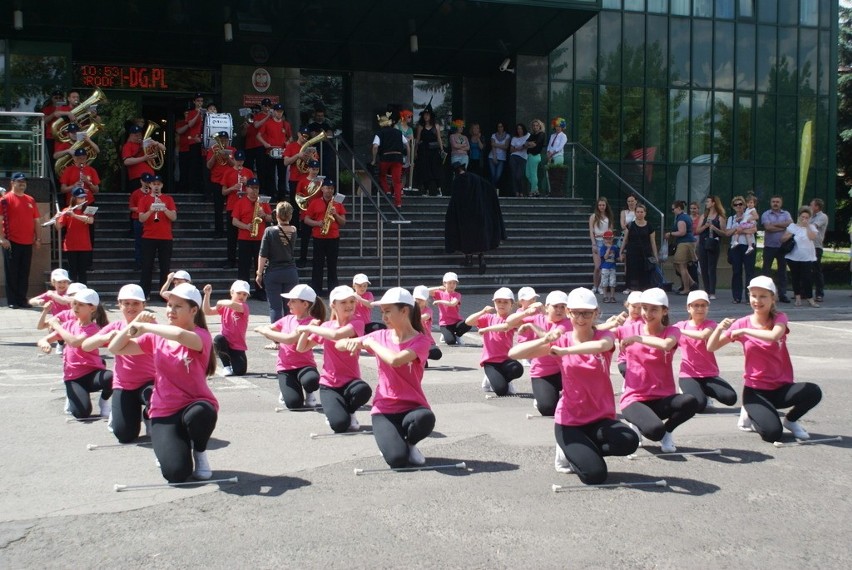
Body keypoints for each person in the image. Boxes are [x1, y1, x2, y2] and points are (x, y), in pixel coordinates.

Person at [510, 287, 639, 485]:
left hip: (599, 418)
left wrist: (566, 351)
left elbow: (601, 347)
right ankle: (568, 449)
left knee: (629, 441)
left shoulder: (604, 336)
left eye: (587, 313)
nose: (581, 318)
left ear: (596, 313)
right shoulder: (561, 339)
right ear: (569, 312)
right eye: (576, 312)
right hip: (570, 421)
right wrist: (545, 340)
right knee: (595, 476)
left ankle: (584, 450)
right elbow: (514, 354)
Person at [108, 283, 219, 483]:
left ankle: (200, 452)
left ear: (193, 310)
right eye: (169, 305)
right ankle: (170, 445)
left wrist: (145, 326)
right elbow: (116, 348)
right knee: (176, 474)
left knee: (203, 412)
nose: (170, 310)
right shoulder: (156, 337)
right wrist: (132, 327)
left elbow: (180, 335)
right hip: (163, 409)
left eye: (178, 306)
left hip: (194, 403)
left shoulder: (201, 335)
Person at [707, 276, 822, 442]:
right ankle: (750, 411)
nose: (757, 300)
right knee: (772, 434)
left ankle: (790, 421)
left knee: (813, 391)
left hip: (781, 388)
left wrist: (746, 331)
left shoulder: (779, 318)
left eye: (763, 296)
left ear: (772, 298)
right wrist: (719, 328)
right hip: (756, 391)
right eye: (754, 295)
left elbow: (773, 336)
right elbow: (711, 347)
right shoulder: (741, 323)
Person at [336, 287, 435, 468]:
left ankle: (411, 444)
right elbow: (340, 344)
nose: (383, 318)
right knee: (397, 461)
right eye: (382, 312)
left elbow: (395, 360)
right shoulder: (380, 335)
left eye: (388, 312)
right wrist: (349, 342)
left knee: (425, 419)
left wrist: (371, 343)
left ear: (404, 311)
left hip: (413, 406)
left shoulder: (421, 341)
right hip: (384, 409)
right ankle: (395, 444)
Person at [618, 288, 700, 453]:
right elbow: (598, 334)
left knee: (690, 401)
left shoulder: (672, 331)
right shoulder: (628, 329)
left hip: (662, 397)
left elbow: (666, 345)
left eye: (654, 309)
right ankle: (638, 421)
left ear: (665, 311)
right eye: (645, 308)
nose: (647, 313)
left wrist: (638, 338)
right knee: (654, 431)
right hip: (634, 399)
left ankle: (667, 432)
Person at [81, 284, 155, 443]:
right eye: (126, 303)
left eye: (136, 303)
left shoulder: (152, 326)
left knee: (155, 400)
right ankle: (122, 411)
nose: (131, 307)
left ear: (144, 305)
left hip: (151, 382)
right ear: (119, 304)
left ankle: (149, 415)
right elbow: (86, 346)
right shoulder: (115, 326)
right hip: (124, 385)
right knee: (125, 436)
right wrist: (104, 338)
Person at [296, 285, 372, 433]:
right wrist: (307, 328)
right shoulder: (326, 326)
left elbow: (336, 335)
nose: (349, 305)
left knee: (364, 390)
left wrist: (309, 328)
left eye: (351, 301)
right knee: (339, 425)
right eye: (343, 302)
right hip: (329, 384)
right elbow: (301, 348)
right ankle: (336, 412)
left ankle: (350, 411)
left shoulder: (357, 323)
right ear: (333, 305)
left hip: (351, 382)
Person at [37, 288, 112, 419]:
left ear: (92, 309)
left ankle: (104, 401)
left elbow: (74, 342)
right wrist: (44, 343)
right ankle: (73, 394)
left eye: (81, 304)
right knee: (82, 414)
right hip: (73, 377)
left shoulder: (93, 328)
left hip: (91, 373)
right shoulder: (69, 325)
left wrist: (57, 326)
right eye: (75, 303)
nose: (76, 307)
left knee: (111, 377)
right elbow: (43, 338)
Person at [255, 284, 325, 409]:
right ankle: (287, 388)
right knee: (294, 404)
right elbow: (271, 329)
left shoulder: (311, 322)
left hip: (305, 365)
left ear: (305, 304)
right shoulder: (287, 319)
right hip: (285, 368)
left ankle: (309, 392)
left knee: (311, 381)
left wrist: (264, 331)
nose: (288, 304)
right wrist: (267, 331)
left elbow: (289, 339)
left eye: (293, 301)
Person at [506, 290, 570, 416]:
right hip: (542, 371)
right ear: (547, 307)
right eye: (555, 306)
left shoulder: (567, 323)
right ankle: (546, 396)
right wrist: (525, 313)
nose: (559, 310)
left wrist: (531, 326)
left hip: (564, 371)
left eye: (563, 307)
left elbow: (551, 338)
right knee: (547, 409)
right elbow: (509, 322)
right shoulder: (538, 318)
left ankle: (563, 394)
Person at [673, 290, 737, 412]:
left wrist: (679, 331)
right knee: (699, 405)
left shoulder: (711, 324)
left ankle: (704, 391)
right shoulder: (681, 325)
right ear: (688, 308)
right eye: (696, 305)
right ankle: (690, 393)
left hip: (709, 374)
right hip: (688, 374)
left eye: (703, 305)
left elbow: (702, 335)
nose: (700, 309)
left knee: (730, 398)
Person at [443, 161, 506, 272]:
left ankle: (469, 259)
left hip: (465, 216)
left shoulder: (458, 181)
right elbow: (490, 188)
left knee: (466, 238)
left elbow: (456, 200)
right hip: (479, 213)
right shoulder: (476, 178)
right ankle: (481, 258)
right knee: (479, 238)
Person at [466, 287, 523, 396]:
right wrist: (482, 311)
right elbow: (468, 321)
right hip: (490, 361)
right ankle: (490, 379)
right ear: (494, 303)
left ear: (512, 304)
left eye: (506, 302)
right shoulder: (487, 317)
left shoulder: (512, 319)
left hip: (506, 359)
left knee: (518, 369)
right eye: (499, 301)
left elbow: (506, 326)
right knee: (501, 391)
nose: (502, 304)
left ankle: (504, 379)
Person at [1, 172, 42, 309]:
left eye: (24, 181)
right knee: (12, 273)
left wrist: (38, 238)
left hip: (27, 242)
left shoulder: (30, 199)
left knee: (24, 273)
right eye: (19, 181)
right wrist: (2, 238)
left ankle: (22, 299)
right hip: (11, 242)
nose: (22, 184)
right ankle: (12, 301)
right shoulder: (5, 200)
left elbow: (36, 220)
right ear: (12, 183)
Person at [257, 201, 298, 323]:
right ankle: (289, 332)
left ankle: (276, 338)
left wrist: (259, 273)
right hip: (290, 272)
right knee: (289, 307)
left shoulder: (269, 231)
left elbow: (263, 254)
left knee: (275, 307)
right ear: (290, 216)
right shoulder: (294, 230)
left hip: (273, 271)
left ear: (277, 215)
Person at [231, 178, 273, 300]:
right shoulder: (240, 202)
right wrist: (246, 226)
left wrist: (264, 215)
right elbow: (234, 221)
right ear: (246, 188)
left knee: (259, 267)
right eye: (252, 188)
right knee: (243, 266)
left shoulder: (263, 203)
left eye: (256, 188)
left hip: (260, 238)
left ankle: (260, 291)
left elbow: (271, 219)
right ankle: (242, 292)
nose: (254, 191)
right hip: (244, 238)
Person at [137, 175, 177, 300]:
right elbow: (141, 218)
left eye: (158, 184)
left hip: (165, 237)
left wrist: (164, 208)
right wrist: (150, 210)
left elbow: (174, 217)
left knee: (165, 266)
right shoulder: (143, 200)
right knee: (147, 266)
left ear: (162, 186)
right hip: (148, 237)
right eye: (154, 184)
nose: (156, 186)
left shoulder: (168, 199)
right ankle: (145, 293)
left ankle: (164, 294)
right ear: (150, 185)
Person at [304, 178, 346, 295]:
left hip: (333, 237)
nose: (329, 191)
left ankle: (333, 291)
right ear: (322, 189)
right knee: (317, 264)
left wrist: (335, 214)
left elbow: (343, 222)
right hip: (319, 237)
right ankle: (316, 290)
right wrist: (317, 223)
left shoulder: (337, 203)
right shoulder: (315, 202)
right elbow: (306, 219)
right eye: (327, 188)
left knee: (332, 265)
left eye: (331, 189)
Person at [203, 281, 250, 377]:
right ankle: (226, 366)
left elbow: (232, 305)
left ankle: (233, 362)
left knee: (240, 371)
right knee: (218, 339)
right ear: (232, 292)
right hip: (225, 341)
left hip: (238, 346)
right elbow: (207, 311)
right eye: (238, 293)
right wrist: (207, 295)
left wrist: (219, 302)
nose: (241, 296)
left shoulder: (243, 307)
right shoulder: (225, 307)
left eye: (244, 294)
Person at [781, 206, 820, 308]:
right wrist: (791, 234)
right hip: (794, 257)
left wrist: (806, 226)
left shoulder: (812, 227)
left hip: (807, 257)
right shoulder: (793, 226)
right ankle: (797, 297)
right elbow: (783, 239)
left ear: (809, 218)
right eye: (803, 217)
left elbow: (812, 237)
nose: (804, 219)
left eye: (807, 217)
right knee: (795, 277)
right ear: (799, 217)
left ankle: (810, 298)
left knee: (807, 278)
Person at [55, 187, 94, 284]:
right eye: (80, 198)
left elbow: (90, 220)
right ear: (74, 198)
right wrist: (56, 218)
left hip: (84, 246)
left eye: (83, 197)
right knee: (72, 272)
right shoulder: (67, 210)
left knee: (82, 272)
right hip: (71, 245)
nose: (82, 199)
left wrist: (74, 215)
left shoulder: (88, 209)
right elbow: (59, 226)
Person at [221, 150, 253, 268]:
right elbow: (223, 192)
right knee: (232, 235)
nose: (240, 162)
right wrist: (232, 188)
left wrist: (247, 183)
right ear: (233, 159)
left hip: (246, 206)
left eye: (241, 160)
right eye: (238, 160)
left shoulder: (248, 172)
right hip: (232, 205)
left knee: (245, 234)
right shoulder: (228, 172)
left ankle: (244, 259)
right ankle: (231, 259)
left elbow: (255, 189)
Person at [724, 196, 758, 304]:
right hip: (736, 247)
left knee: (749, 271)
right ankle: (737, 296)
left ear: (744, 205)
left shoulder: (749, 215)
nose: (738, 206)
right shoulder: (731, 218)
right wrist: (737, 229)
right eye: (736, 205)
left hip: (748, 245)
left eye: (740, 204)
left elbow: (753, 229)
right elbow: (727, 233)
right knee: (737, 271)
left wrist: (740, 231)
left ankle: (749, 297)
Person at [760, 195, 793, 303]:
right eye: (773, 201)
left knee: (782, 271)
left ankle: (782, 294)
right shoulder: (766, 214)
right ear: (770, 203)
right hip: (769, 246)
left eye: (777, 202)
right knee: (766, 271)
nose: (775, 203)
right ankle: (765, 294)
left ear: (781, 203)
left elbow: (790, 224)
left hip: (783, 247)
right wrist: (783, 226)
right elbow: (768, 227)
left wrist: (775, 224)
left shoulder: (786, 214)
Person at [371, 113, 408, 208]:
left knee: (382, 175)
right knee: (397, 181)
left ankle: (387, 191)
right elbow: (407, 144)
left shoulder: (379, 133)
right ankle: (398, 203)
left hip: (386, 158)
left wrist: (374, 159)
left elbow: (375, 146)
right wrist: (408, 158)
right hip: (398, 157)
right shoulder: (398, 132)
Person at [619, 204, 658, 293]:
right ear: (635, 213)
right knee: (632, 272)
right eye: (638, 212)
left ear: (645, 213)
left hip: (645, 254)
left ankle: (644, 291)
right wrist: (621, 252)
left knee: (644, 274)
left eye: (641, 212)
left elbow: (653, 242)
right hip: (632, 253)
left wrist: (655, 256)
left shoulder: (649, 226)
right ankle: (631, 289)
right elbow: (625, 240)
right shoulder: (630, 225)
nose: (639, 214)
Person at [205, 131, 236, 238]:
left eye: (225, 140)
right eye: (221, 140)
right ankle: (219, 231)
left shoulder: (233, 150)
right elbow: (208, 166)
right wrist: (215, 155)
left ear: (228, 140)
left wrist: (227, 157)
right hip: (217, 181)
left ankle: (231, 230)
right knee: (218, 208)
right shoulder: (213, 149)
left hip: (230, 183)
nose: (223, 142)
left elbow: (235, 165)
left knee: (231, 208)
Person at [256, 103, 290, 201]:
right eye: (277, 111)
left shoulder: (286, 124)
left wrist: (288, 142)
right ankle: (272, 194)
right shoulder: (268, 123)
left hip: (282, 151)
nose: (279, 114)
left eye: (281, 112)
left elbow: (290, 137)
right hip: (270, 151)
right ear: (274, 112)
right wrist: (265, 143)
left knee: (282, 175)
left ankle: (281, 196)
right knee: (270, 174)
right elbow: (258, 135)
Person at [695, 195, 726, 300]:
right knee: (703, 268)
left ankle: (712, 291)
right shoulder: (704, 216)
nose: (706, 203)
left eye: (708, 201)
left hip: (713, 244)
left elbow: (724, 233)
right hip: (703, 244)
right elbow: (697, 231)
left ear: (713, 203)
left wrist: (715, 228)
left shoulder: (720, 217)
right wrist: (705, 226)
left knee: (711, 268)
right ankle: (706, 291)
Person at [429, 272, 473, 345]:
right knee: (451, 342)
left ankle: (458, 335)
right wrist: (438, 288)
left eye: (454, 283)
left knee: (469, 323)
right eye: (449, 283)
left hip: (456, 322)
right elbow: (425, 291)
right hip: (445, 323)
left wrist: (439, 301)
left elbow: (452, 304)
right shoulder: (439, 293)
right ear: (444, 284)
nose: (452, 285)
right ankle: (445, 334)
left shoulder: (457, 295)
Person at [665, 200, 698, 294]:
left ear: (678, 208)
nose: (672, 211)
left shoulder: (681, 218)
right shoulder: (684, 216)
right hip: (686, 242)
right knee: (677, 264)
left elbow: (682, 232)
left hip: (685, 243)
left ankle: (687, 288)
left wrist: (670, 233)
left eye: (673, 209)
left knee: (681, 265)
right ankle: (691, 283)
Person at [294, 159, 322, 268]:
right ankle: (303, 258)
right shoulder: (302, 181)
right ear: (308, 169)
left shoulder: (320, 182)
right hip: (306, 214)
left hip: (317, 214)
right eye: (313, 169)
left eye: (316, 169)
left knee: (318, 240)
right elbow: (298, 196)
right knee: (305, 239)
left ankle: (317, 258)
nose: (314, 171)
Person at [414, 106, 444, 196]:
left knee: (436, 169)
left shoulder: (436, 126)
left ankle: (439, 189)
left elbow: (439, 138)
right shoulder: (420, 126)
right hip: (424, 150)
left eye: (427, 115)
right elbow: (418, 139)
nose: (426, 116)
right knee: (425, 169)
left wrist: (442, 150)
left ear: (431, 116)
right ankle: (426, 189)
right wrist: (415, 151)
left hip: (434, 150)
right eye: (424, 115)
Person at [588, 197, 614, 294]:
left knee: (604, 266)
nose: (601, 207)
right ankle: (595, 286)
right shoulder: (593, 217)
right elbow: (591, 231)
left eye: (603, 205)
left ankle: (600, 286)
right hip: (597, 242)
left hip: (606, 242)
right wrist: (593, 243)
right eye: (600, 205)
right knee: (597, 266)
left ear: (606, 206)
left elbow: (610, 231)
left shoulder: (609, 217)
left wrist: (607, 240)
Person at [121, 124, 157, 192]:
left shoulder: (145, 145)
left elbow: (154, 159)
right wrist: (144, 158)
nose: (139, 137)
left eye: (140, 135)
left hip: (151, 177)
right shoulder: (128, 145)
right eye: (136, 135)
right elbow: (126, 161)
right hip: (137, 177)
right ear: (131, 136)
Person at [413, 285, 442, 365]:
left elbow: (424, 317)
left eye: (421, 299)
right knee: (424, 365)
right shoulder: (410, 309)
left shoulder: (428, 310)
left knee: (437, 353)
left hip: (426, 340)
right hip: (414, 340)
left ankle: (421, 356)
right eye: (416, 299)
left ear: (426, 300)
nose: (418, 301)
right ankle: (417, 357)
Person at [808, 198, 828, 303]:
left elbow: (813, 226)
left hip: (816, 246)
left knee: (816, 270)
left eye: (811, 205)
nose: (810, 207)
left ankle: (819, 294)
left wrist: (804, 222)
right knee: (807, 270)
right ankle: (807, 293)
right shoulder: (809, 217)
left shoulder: (822, 216)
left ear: (817, 207)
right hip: (807, 246)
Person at [525, 119, 546, 197]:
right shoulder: (532, 134)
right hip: (530, 155)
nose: (535, 127)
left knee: (533, 174)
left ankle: (533, 190)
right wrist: (530, 143)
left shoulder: (541, 134)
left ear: (540, 126)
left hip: (535, 155)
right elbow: (526, 143)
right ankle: (536, 189)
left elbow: (535, 145)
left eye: (537, 125)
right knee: (527, 174)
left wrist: (530, 144)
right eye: (534, 125)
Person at [508, 123, 529, 197]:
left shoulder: (527, 136)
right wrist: (520, 148)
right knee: (514, 174)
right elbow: (511, 150)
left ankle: (522, 191)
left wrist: (518, 148)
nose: (519, 130)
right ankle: (516, 191)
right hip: (513, 157)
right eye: (518, 129)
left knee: (519, 175)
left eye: (521, 128)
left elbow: (527, 145)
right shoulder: (514, 138)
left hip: (523, 157)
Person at [599, 230, 619, 303]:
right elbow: (605, 257)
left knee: (612, 282)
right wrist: (608, 248)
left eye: (610, 239)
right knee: (604, 282)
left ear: (612, 239)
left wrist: (621, 257)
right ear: (604, 239)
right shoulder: (603, 248)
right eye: (606, 239)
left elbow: (617, 257)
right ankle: (605, 296)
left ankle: (612, 296)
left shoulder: (615, 248)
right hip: (605, 267)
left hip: (612, 267)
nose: (608, 240)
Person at [489, 122, 510, 189]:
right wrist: (494, 157)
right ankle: (493, 189)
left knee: (498, 175)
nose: (500, 128)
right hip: (492, 157)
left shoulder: (507, 136)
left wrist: (496, 144)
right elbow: (492, 146)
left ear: (504, 127)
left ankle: (493, 188)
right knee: (493, 175)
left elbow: (506, 147)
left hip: (502, 158)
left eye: (501, 126)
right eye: (498, 126)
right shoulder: (493, 135)